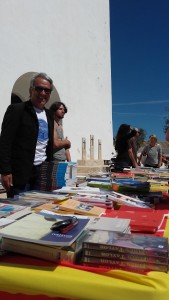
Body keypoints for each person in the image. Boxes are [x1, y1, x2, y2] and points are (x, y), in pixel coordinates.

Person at [0, 72, 55, 198]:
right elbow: (5, 142)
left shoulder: (49, 115)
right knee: (20, 211)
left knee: (40, 208)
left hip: (42, 172)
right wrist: (5, 171)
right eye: (39, 89)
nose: (43, 93)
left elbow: (48, 144)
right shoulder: (17, 110)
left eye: (47, 90)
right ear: (31, 90)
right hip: (20, 174)